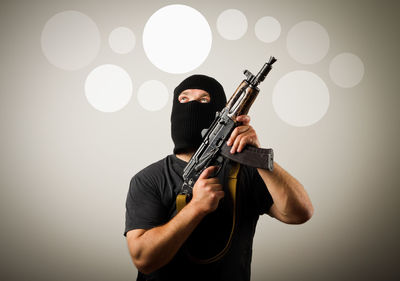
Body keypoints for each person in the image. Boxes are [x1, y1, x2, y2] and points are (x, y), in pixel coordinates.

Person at [124, 74, 314, 281]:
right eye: (184, 99)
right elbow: (143, 259)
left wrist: (260, 159)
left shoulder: (246, 171)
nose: (193, 105)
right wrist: (197, 206)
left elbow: (300, 212)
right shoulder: (149, 178)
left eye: (204, 99)